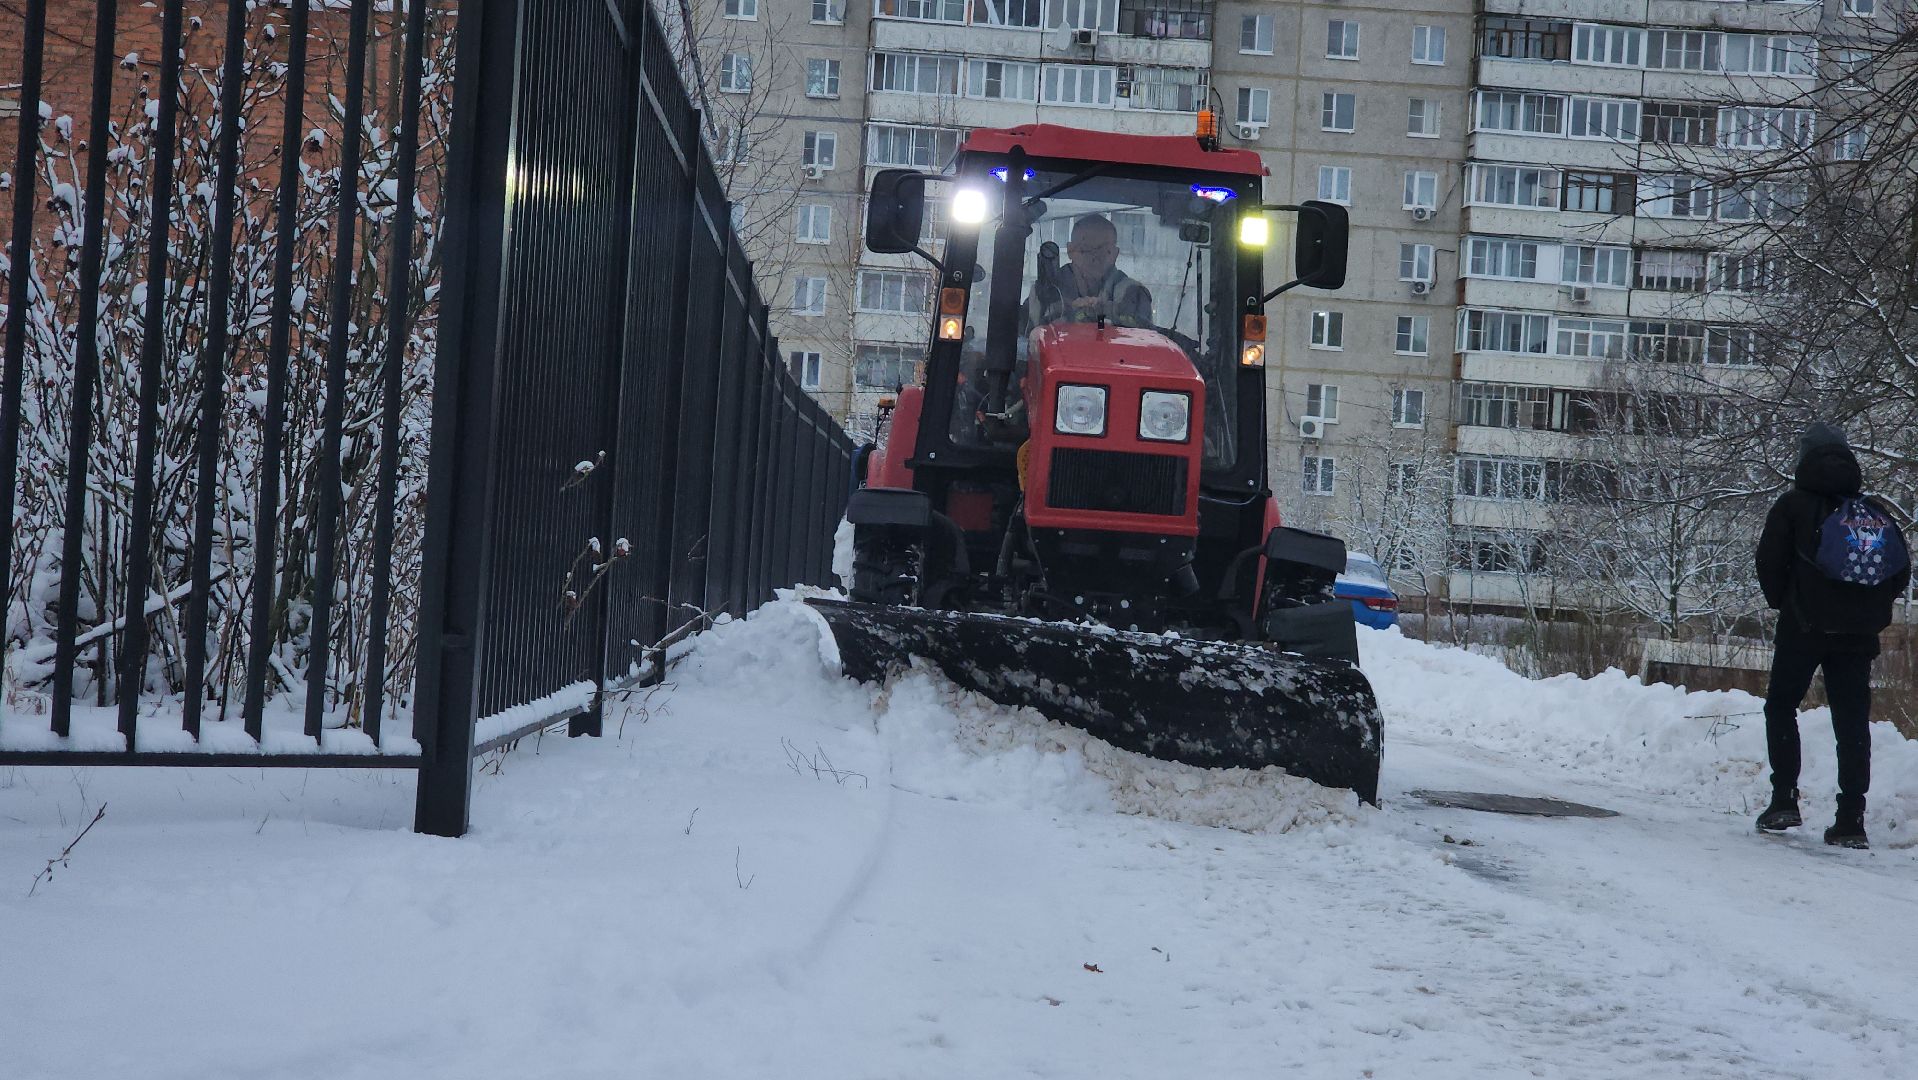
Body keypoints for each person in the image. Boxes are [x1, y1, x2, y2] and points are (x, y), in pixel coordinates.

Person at [1753, 422, 1911, 848]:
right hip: (1857, 637)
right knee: (1851, 722)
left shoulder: (1792, 505)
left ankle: (1784, 799)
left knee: (1782, 706)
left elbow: (1768, 561)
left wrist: (1786, 602)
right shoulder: (1871, 511)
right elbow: (1899, 570)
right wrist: (1869, 613)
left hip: (1802, 627)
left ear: (1804, 459)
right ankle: (1850, 820)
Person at [1025, 215, 1154, 329]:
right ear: (1070, 250)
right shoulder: (1043, 293)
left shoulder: (1133, 293)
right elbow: (1025, 343)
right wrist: (1070, 314)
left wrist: (1099, 311)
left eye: (1104, 251)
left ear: (1115, 254)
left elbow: (1143, 337)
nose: (1095, 257)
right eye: (1085, 249)